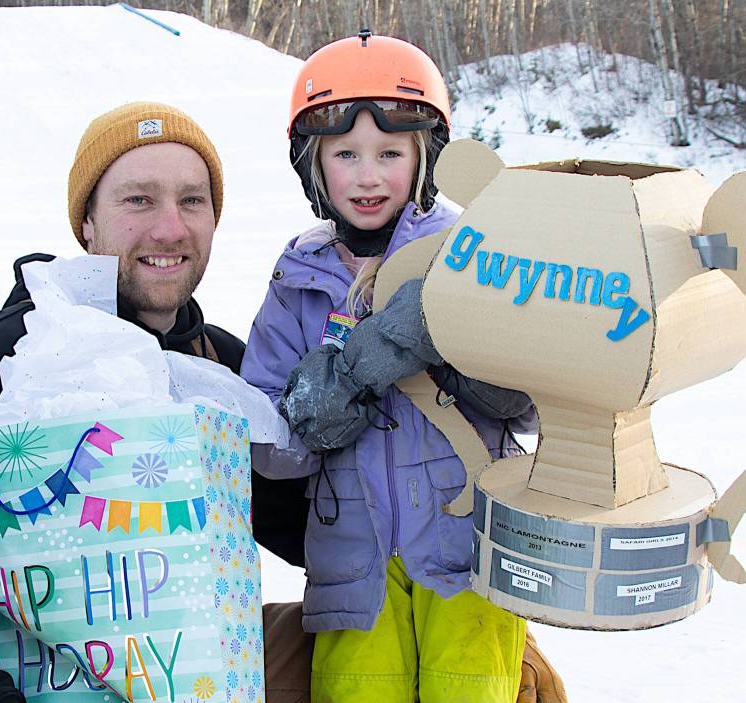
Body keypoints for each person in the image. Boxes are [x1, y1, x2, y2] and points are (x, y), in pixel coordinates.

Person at [0, 102, 311, 703]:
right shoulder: (0, 359)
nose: (170, 228)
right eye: (139, 200)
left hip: (194, 670)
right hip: (27, 681)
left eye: (192, 200)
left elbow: (313, 532)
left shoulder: (219, 368)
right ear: (87, 224)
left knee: (360, 649)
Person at [241, 33, 567, 703]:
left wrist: (457, 352)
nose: (368, 176)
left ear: (426, 158)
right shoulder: (297, 277)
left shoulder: (475, 254)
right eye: (346, 154)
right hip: (353, 566)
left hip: (471, 556)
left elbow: (535, 404)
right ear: (313, 164)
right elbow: (268, 443)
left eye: (391, 153)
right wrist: (350, 372)